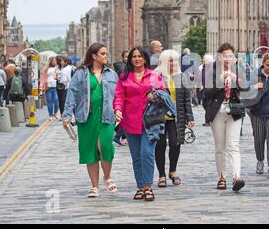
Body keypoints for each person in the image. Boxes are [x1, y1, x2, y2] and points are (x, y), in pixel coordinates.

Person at [63, 43, 118, 198]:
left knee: (105, 146)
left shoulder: (112, 74)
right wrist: (67, 116)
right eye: (103, 53)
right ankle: (94, 186)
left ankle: (107, 177)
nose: (106, 56)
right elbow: (72, 94)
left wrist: (120, 111)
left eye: (106, 53)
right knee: (90, 151)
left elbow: (118, 95)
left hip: (107, 116)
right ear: (94, 56)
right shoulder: (81, 73)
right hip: (86, 118)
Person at [114, 47, 165, 201]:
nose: (137, 59)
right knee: (136, 156)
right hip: (130, 121)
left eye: (140, 56)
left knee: (147, 153)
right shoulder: (124, 77)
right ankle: (140, 187)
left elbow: (164, 94)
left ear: (145, 59)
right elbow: (119, 96)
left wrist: (155, 96)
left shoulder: (154, 75)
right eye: (134, 56)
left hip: (150, 122)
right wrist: (117, 109)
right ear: (130, 59)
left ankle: (148, 186)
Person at [204, 43, 246, 192]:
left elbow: (247, 89)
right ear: (219, 57)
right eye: (225, 56)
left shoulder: (239, 69)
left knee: (233, 146)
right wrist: (220, 83)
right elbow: (206, 93)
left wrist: (237, 81)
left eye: (230, 56)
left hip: (234, 111)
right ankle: (222, 177)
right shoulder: (211, 70)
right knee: (220, 148)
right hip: (218, 113)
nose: (228, 59)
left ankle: (236, 177)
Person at [155, 50, 195, 188]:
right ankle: (161, 174)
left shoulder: (181, 76)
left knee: (175, 143)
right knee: (159, 145)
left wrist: (189, 117)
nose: (174, 63)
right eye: (171, 61)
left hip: (176, 117)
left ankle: (172, 171)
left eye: (176, 60)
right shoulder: (157, 76)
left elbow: (186, 99)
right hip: (159, 116)